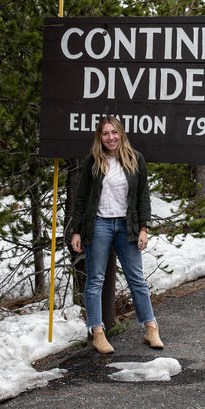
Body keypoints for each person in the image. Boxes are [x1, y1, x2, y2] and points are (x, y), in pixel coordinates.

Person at [68, 116, 163, 354]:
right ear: (100, 137)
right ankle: (97, 332)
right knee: (95, 280)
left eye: (114, 132)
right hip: (98, 225)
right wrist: (76, 230)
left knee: (136, 279)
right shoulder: (93, 162)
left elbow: (143, 196)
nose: (110, 137)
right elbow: (81, 199)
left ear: (121, 134)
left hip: (126, 226)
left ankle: (151, 328)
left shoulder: (135, 159)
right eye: (105, 133)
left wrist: (144, 228)